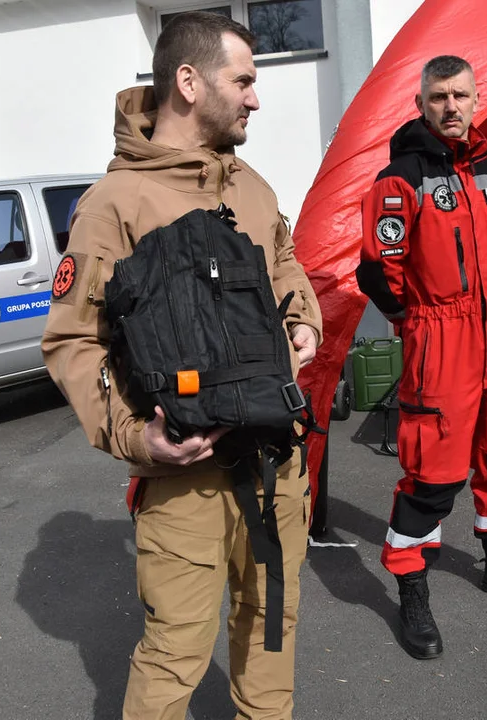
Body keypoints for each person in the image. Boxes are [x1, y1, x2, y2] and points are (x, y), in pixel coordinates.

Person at [41, 12, 322, 720]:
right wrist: (137, 438)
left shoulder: (249, 186)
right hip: (185, 479)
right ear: (189, 82)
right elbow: (73, 342)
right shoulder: (114, 205)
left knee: (272, 632)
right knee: (174, 657)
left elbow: (285, 265)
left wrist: (303, 320)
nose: (256, 98)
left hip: (277, 466)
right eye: (244, 80)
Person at [356, 55, 487, 660]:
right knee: (433, 472)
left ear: (477, 100)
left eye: (461, 96)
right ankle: (412, 590)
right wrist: (417, 323)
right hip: (438, 335)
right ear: (421, 103)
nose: (451, 106)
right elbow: (377, 270)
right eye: (439, 96)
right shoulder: (399, 177)